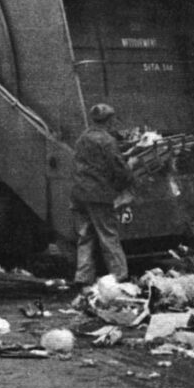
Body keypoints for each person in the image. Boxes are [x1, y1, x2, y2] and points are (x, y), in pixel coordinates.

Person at [70, 103, 135, 286]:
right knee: (108, 235)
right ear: (109, 120)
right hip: (98, 195)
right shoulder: (107, 141)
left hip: (79, 194)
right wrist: (127, 180)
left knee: (86, 236)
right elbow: (118, 169)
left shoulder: (82, 138)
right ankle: (120, 276)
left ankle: (83, 277)